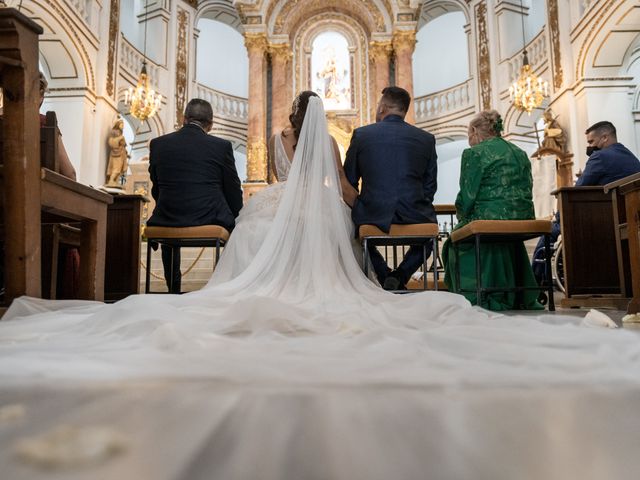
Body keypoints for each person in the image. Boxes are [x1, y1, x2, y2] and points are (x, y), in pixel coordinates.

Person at [2, 97, 640, 478]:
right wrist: (342, 204)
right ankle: (382, 282)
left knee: (258, 225)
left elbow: (266, 189)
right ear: (319, 122)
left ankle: (254, 283)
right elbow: (340, 188)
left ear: (287, 123)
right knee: (330, 226)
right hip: (347, 208)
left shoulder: (287, 143)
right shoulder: (343, 140)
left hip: (270, 205)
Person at [210, 90, 357, 284]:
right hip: (318, 199)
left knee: (252, 229)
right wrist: (359, 204)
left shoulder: (275, 140)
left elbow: (279, 176)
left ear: (294, 112)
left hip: (283, 197)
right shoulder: (328, 142)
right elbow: (340, 181)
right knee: (337, 231)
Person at [442, 110, 542, 311]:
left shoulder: (474, 153)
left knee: (453, 242)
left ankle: (480, 294)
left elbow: (467, 195)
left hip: (489, 218)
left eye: (469, 135)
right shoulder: (520, 152)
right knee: (504, 238)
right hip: (522, 217)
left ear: (474, 131)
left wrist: (462, 216)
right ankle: (515, 293)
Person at [344, 86, 438, 290]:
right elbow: (430, 186)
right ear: (404, 110)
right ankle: (401, 275)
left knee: (354, 230)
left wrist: (363, 203)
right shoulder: (426, 139)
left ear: (383, 108)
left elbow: (349, 180)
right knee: (429, 238)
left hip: (372, 213)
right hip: (415, 212)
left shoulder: (362, 135)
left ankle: (384, 274)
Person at [147, 98, 243, 293]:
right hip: (209, 216)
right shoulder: (221, 146)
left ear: (184, 119)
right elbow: (232, 190)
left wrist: (169, 207)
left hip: (167, 216)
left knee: (169, 223)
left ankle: (172, 289)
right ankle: (221, 289)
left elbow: (157, 188)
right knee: (239, 228)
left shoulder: (158, 144)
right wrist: (239, 217)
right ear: (211, 124)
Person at [531, 121, 640, 285]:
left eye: (591, 141)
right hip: (630, 216)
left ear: (604, 137)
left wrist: (559, 218)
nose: (589, 146)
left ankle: (536, 281)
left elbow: (578, 191)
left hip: (605, 219)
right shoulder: (631, 156)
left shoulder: (600, 156)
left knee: (549, 230)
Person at [105, 118, 129, 187]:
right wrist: (120, 138)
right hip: (116, 154)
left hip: (121, 154)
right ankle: (111, 180)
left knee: (120, 169)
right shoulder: (114, 132)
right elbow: (111, 142)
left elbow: (123, 144)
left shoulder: (121, 133)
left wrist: (126, 152)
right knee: (116, 168)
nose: (123, 126)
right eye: (122, 124)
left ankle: (115, 181)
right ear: (118, 125)